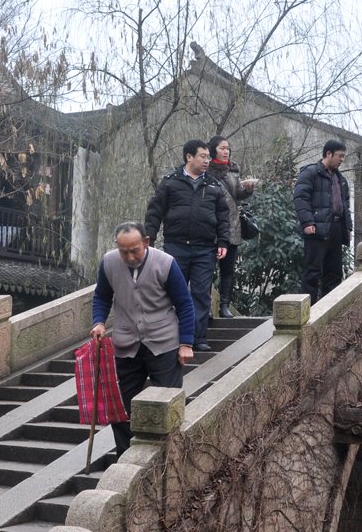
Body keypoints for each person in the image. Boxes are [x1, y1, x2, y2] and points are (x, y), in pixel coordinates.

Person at [91, 222, 195, 455]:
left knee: (167, 402)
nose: (129, 257)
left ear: (146, 242)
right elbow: (101, 297)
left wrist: (186, 343)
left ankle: (168, 454)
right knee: (121, 407)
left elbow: (185, 304)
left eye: (135, 250)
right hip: (125, 343)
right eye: (124, 251)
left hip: (164, 342)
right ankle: (126, 456)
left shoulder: (165, 263)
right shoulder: (108, 263)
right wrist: (98, 322)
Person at [144, 139, 230, 350]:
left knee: (201, 294)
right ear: (189, 156)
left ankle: (197, 339)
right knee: (173, 293)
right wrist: (148, 241)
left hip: (205, 248)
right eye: (203, 156)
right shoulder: (170, 182)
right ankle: (172, 338)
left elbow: (223, 215)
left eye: (209, 157)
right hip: (176, 246)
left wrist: (223, 241)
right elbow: (154, 213)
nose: (207, 161)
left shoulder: (212, 185)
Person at [293, 138, 353, 303]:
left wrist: (348, 229)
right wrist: (308, 222)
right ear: (328, 154)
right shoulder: (310, 173)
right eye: (339, 156)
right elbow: (300, 199)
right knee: (312, 272)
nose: (342, 159)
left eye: (343, 156)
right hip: (316, 229)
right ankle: (308, 312)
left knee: (334, 274)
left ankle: (328, 312)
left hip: (336, 228)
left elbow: (345, 205)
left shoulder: (341, 179)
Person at [207, 135, 256, 317]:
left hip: (232, 225)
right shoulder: (205, 171)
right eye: (222, 148)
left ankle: (224, 306)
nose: (226, 151)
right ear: (213, 150)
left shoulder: (233, 170)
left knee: (228, 270)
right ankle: (207, 307)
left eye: (228, 148)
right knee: (208, 270)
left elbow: (238, 194)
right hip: (211, 227)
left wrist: (248, 190)